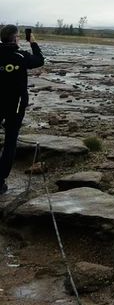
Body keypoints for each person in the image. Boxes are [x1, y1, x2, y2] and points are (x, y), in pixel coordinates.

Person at [0, 25, 45, 195]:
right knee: (10, 141)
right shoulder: (20, 56)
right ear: (15, 38)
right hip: (15, 104)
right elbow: (39, 60)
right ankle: (0, 181)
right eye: (18, 36)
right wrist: (33, 42)